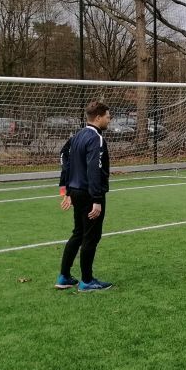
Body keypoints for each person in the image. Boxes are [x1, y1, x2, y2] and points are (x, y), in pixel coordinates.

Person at [56, 101, 114, 291]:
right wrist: (97, 199)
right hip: (90, 194)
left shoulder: (77, 136)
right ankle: (87, 281)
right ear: (98, 117)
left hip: (76, 192)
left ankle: (64, 276)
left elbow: (64, 156)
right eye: (107, 116)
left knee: (78, 234)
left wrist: (66, 188)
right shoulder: (96, 138)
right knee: (90, 237)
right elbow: (94, 170)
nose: (109, 119)